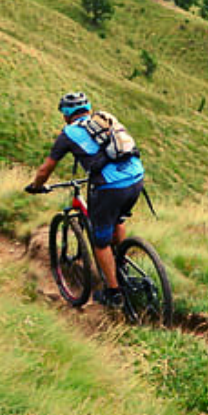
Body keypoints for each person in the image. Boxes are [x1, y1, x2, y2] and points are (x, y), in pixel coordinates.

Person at [24, 92, 145, 307]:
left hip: (110, 186)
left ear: (65, 115)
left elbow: (46, 169)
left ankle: (114, 292)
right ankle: (122, 264)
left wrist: (36, 186)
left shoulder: (68, 134)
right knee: (118, 219)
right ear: (88, 108)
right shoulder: (105, 120)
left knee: (100, 242)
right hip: (136, 177)